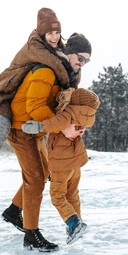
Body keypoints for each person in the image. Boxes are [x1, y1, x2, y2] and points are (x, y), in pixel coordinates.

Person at [0, 7, 79, 196]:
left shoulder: (56, 48)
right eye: (50, 33)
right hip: (2, 97)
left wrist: (76, 69)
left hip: (17, 98)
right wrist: (69, 81)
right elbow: (58, 66)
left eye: (57, 32)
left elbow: (69, 65)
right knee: (3, 129)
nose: (54, 37)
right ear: (41, 32)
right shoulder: (35, 46)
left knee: (42, 127)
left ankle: (48, 170)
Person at [0, 32, 92, 250]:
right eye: (80, 57)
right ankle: (31, 236)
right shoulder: (47, 71)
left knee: (43, 174)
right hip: (21, 128)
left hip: (35, 130)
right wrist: (61, 125)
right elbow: (35, 107)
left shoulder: (64, 73)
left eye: (87, 60)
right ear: (68, 52)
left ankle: (14, 211)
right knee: (35, 181)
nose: (83, 63)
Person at [22, 88, 100, 245]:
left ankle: (73, 224)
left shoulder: (68, 114)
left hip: (62, 164)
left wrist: (36, 127)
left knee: (57, 196)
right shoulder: (88, 117)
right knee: (72, 194)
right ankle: (78, 222)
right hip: (75, 164)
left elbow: (53, 124)